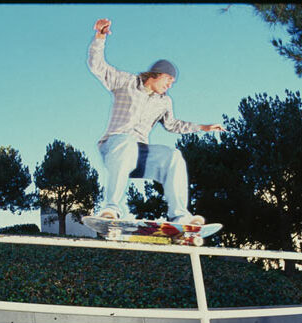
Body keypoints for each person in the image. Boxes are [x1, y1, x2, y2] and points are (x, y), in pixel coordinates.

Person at [88, 18, 225, 225]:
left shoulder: (164, 102)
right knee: (126, 143)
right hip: (115, 147)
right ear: (157, 74)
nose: (170, 86)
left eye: (173, 83)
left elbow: (173, 125)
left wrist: (202, 127)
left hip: (140, 156)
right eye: (168, 80)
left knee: (173, 157)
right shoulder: (126, 82)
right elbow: (97, 66)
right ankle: (111, 209)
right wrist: (100, 37)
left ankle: (180, 216)